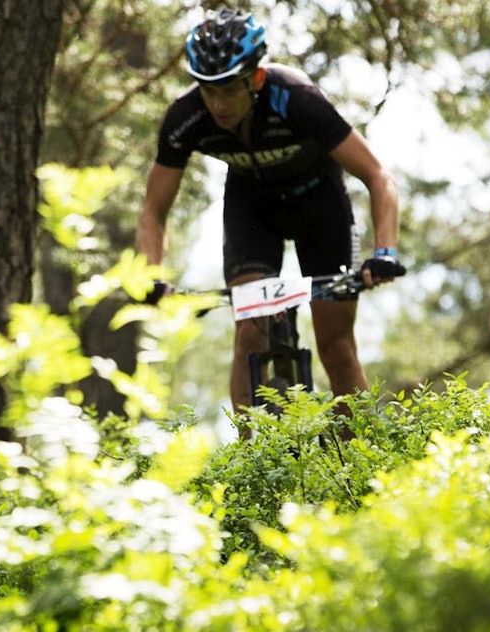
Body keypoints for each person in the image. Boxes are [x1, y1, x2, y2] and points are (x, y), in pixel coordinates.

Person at [135, 8, 404, 416]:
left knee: (336, 345)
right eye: (208, 91)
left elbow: (378, 177)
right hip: (252, 207)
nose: (218, 104)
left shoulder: (296, 99)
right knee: (250, 333)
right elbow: (154, 209)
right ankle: (252, 465)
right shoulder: (186, 117)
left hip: (320, 204)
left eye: (229, 90)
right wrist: (149, 275)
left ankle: (358, 466)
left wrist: (385, 251)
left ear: (256, 79)